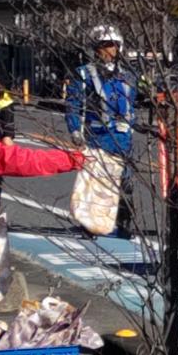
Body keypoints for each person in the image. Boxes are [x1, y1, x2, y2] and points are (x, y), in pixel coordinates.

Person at [64, 25, 135, 236]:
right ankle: (90, 225)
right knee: (93, 184)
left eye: (114, 46)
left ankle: (123, 224)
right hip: (96, 137)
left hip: (123, 139)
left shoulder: (127, 76)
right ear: (96, 48)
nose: (110, 50)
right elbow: (73, 104)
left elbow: (137, 101)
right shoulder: (84, 74)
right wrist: (75, 130)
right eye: (105, 46)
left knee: (125, 184)